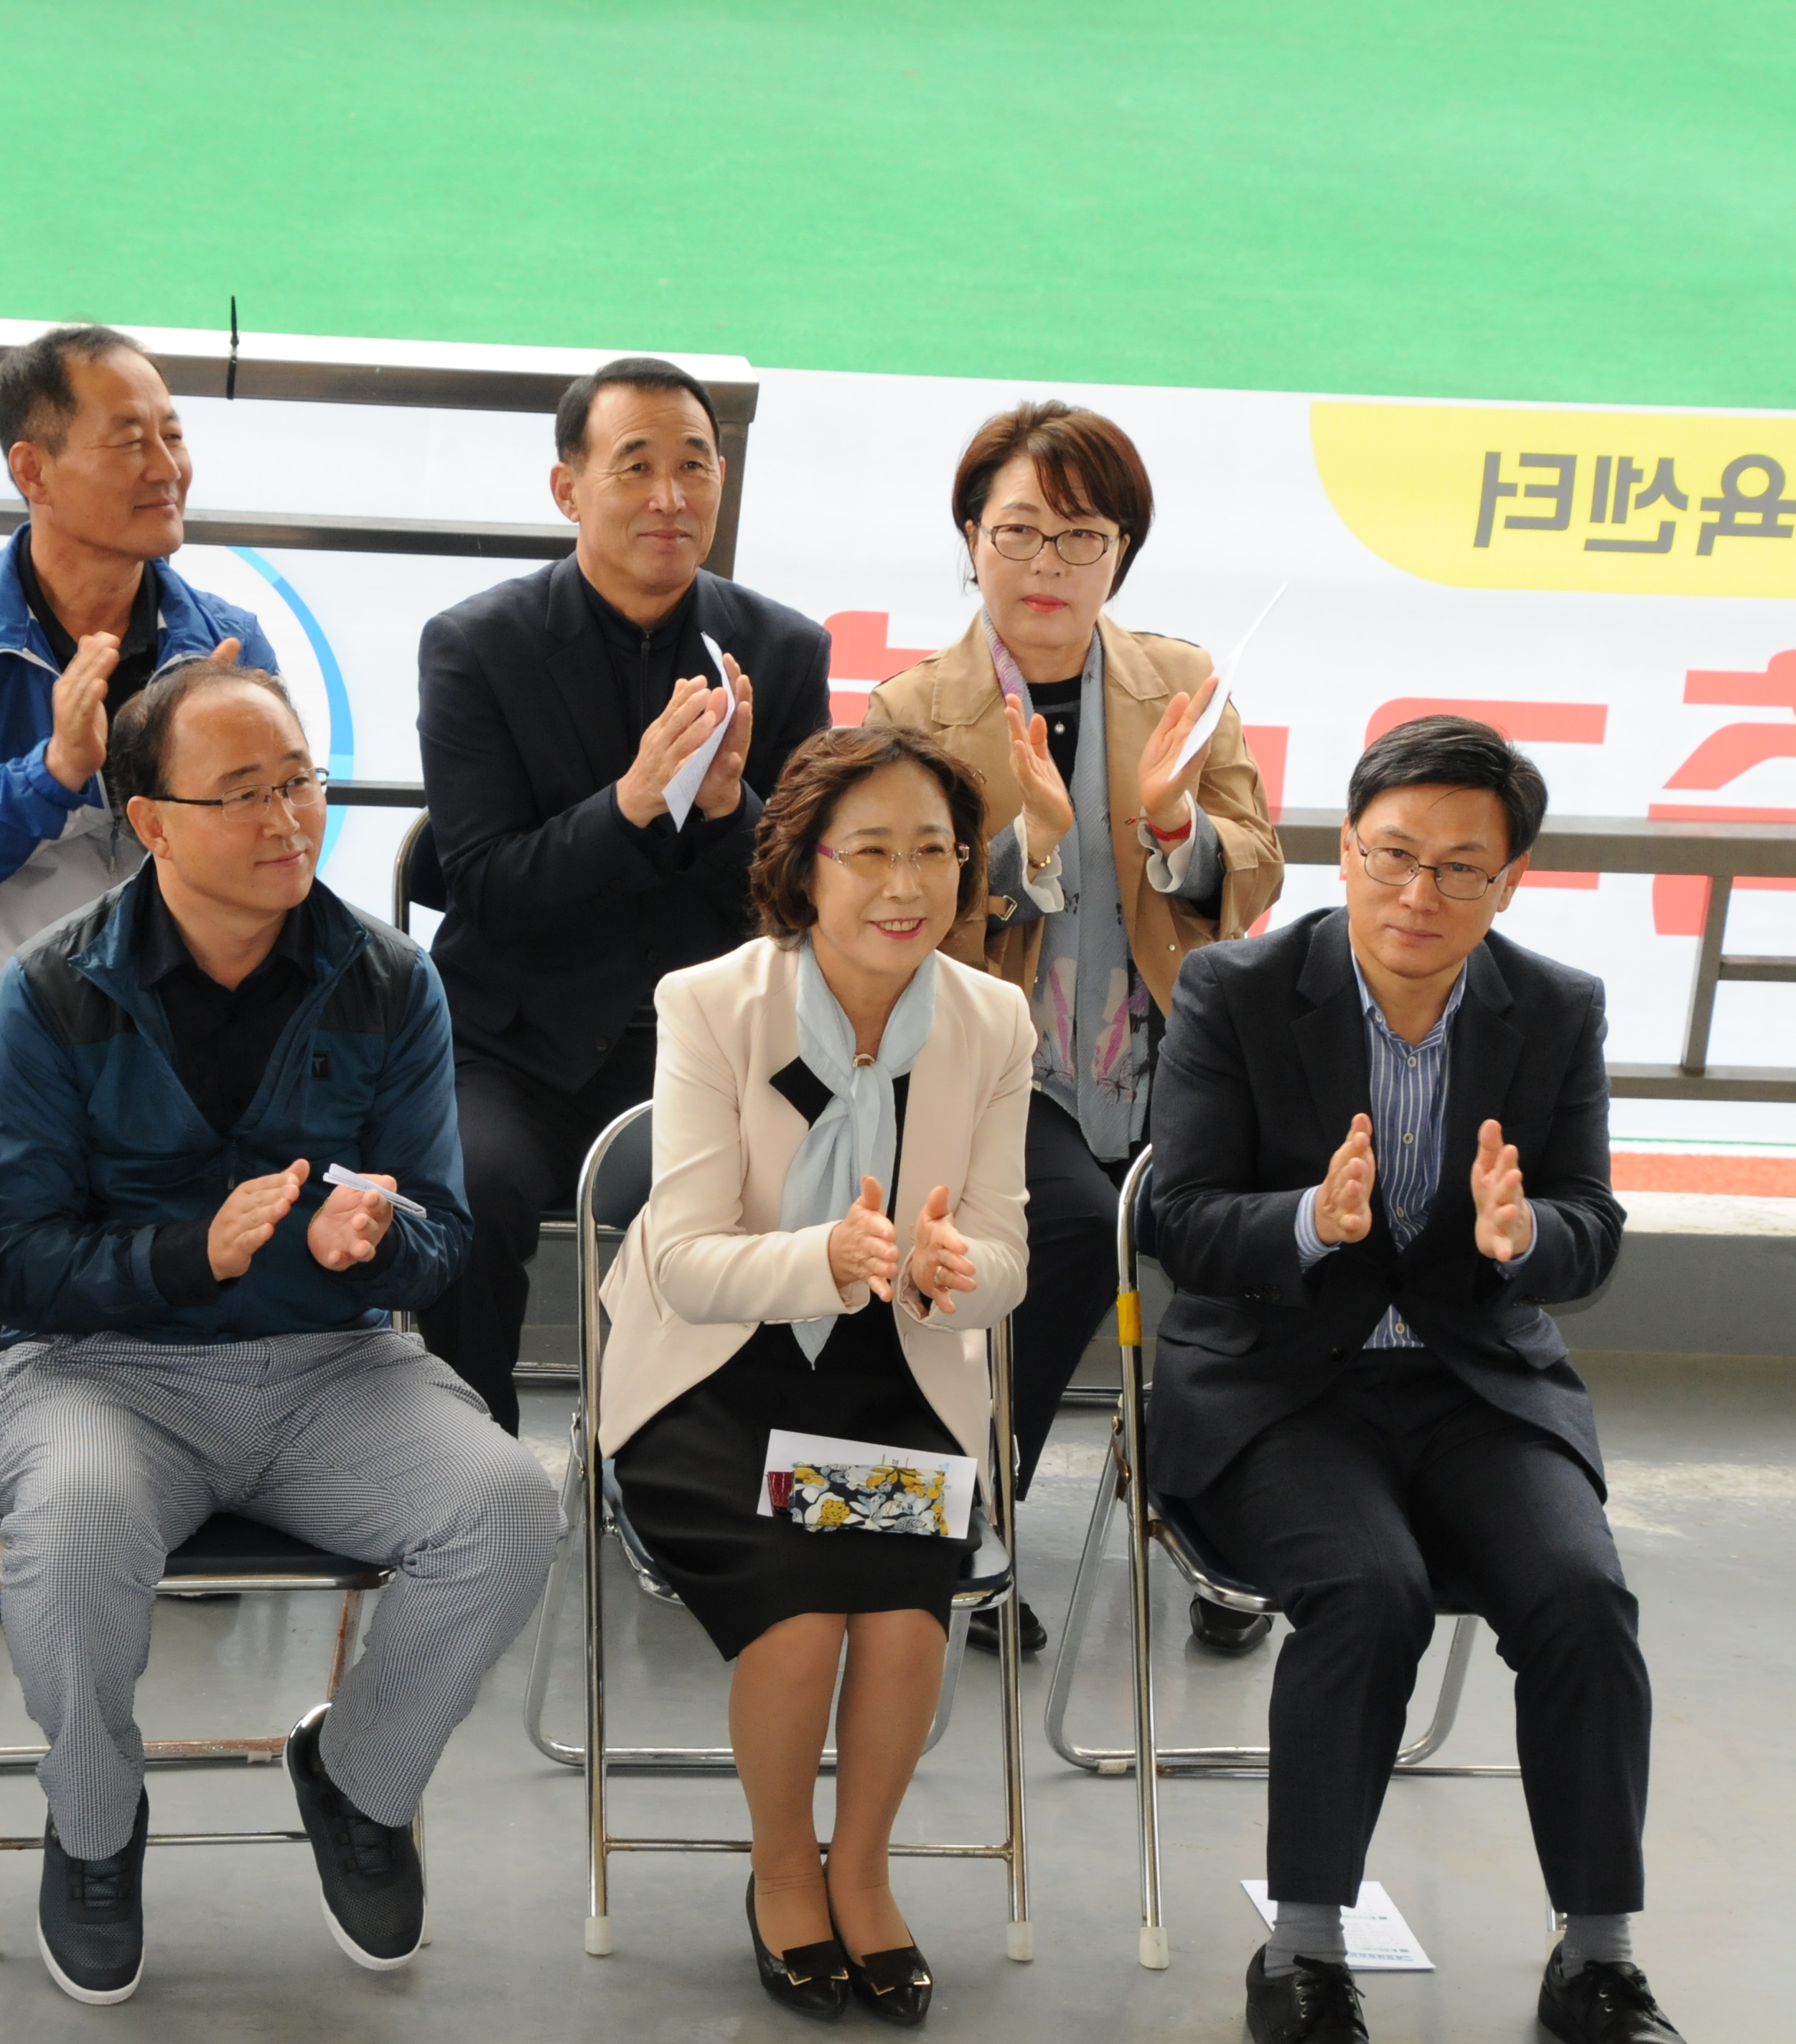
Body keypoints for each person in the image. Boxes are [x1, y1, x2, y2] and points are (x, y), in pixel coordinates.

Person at [0, 655, 563, 2005]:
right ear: (152, 821)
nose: (290, 817)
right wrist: (191, 1250)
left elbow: (438, 1232)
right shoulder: (54, 993)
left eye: (301, 781)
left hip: (333, 1368)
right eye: (243, 792)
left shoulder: (391, 980)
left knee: (512, 1510)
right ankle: (96, 1825)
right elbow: (7, 1261)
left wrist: (379, 1242)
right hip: (99, 1376)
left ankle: (358, 1779)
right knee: (83, 1533)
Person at [1138, 716, 1680, 2044]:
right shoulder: (1238, 992)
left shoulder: (1555, 1009)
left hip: (1472, 1386)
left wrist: (1525, 1238)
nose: (1417, 895)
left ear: (1512, 881)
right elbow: (1180, 1218)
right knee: (1367, 1594)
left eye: (1459, 869)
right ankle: (1307, 1955)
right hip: (1279, 1388)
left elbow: (1590, 1228)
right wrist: (1308, 1225)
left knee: (1582, 1593)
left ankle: (1597, 1956)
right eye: (1392, 857)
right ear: (1346, 848)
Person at [599, 726, 1032, 2027]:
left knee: (903, 1617)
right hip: (717, 1381)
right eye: (875, 854)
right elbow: (677, 1263)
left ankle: (863, 1867)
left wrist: (963, 1266)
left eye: (937, 854)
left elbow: (1011, 1253)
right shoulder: (710, 1004)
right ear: (805, 869)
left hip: (894, 1377)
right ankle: (782, 1869)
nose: (909, 888)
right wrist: (826, 1257)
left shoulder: (990, 1018)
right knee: (798, 1612)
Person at [867, 400, 1281, 1656]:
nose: (1047, 567)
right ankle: (970, 1512)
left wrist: (1172, 833)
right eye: (1020, 533)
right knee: (1061, 1227)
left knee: (1254, 1246)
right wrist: (1022, 851)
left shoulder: (1182, 686)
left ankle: (1210, 1513)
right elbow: (881, 913)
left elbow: (1257, 869)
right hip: (998, 1067)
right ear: (970, 540)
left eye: (1082, 538)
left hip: (1170, 1062)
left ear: (1122, 553)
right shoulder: (912, 709)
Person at [0, 323, 274, 1503]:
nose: (166, 466)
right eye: (128, 439)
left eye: (175, 433)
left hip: (179, 1025)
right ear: (31, 470)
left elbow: (272, 867)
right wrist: (49, 776)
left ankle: (211, 1474)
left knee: (273, 1184)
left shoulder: (219, 653)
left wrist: (224, 788)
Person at [416, 354, 833, 1430]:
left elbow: (801, 908)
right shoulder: (474, 646)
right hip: (512, 1043)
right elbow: (485, 887)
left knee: (740, 1197)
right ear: (569, 488)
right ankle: (470, 1464)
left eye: (693, 467)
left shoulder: (782, 651)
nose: (669, 497)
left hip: (701, 1047)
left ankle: (666, 1473)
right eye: (635, 466)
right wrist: (634, 803)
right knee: (474, 1187)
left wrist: (738, 808)